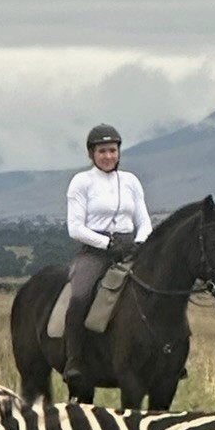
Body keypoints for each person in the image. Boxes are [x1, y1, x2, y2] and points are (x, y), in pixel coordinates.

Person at [63, 123, 152, 381]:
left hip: (130, 247)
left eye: (112, 150)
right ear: (92, 154)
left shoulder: (131, 181)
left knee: (160, 287)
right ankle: (74, 359)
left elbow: (143, 219)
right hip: (95, 251)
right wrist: (107, 244)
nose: (108, 156)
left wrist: (139, 241)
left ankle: (168, 354)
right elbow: (75, 228)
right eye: (102, 151)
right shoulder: (81, 182)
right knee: (80, 294)